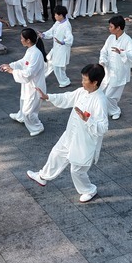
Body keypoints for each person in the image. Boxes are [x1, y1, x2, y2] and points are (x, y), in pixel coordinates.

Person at [27, 64, 108, 203]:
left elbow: (103, 127)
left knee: (77, 170)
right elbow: (67, 97)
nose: (82, 82)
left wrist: (88, 120)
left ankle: (89, 190)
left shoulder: (99, 100)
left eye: (85, 80)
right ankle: (43, 176)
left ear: (95, 82)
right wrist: (48, 97)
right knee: (56, 154)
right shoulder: (81, 92)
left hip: (84, 141)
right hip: (70, 134)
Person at [0, 28, 48, 136]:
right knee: (23, 102)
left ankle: (37, 127)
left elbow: (29, 73)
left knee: (28, 112)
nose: (20, 40)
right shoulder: (31, 50)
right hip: (28, 86)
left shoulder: (36, 54)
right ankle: (21, 117)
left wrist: (12, 71)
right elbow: (23, 62)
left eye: (22, 38)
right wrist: (10, 65)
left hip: (35, 87)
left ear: (28, 40)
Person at [98, 15, 132, 120]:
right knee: (102, 92)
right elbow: (104, 51)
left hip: (120, 73)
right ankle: (109, 110)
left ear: (118, 28)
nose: (109, 28)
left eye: (111, 27)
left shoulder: (127, 40)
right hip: (109, 71)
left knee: (110, 96)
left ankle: (115, 111)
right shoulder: (110, 38)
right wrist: (102, 61)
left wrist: (122, 52)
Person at [41, 6, 73, 88]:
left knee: (57, 66)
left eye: (56, 15)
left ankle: (64, 81)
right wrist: (43, 35)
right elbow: (51, 31)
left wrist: (63, 42)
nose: (54, 16)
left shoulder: (66, 25)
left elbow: (70, 38)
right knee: (52, 63)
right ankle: (42, 77)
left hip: (62, 49)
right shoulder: (58, 23)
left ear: (61, 15)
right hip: (56, 48)